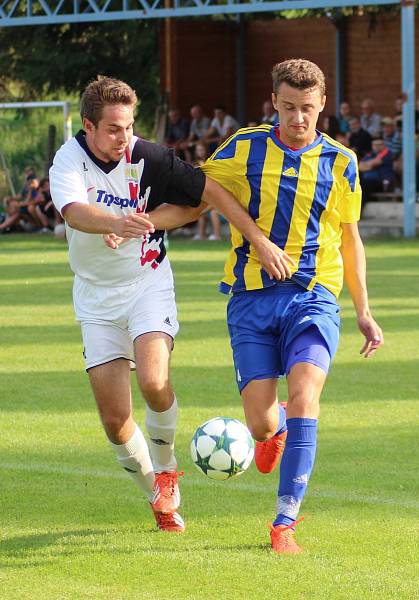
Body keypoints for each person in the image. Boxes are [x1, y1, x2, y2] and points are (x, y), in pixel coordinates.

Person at [48, 76, 290, 534]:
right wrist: (118, 221)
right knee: (115, 421)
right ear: (88, 127)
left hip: (147, 285)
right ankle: (158, 500)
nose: (125, 138)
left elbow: (207, 198)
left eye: (130, 126)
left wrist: (257, 239)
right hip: (96, 299)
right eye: (115, 129)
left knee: (155, 382)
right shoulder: (69, 159)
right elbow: (74, 213)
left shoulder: (147, 156)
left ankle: (167, 471)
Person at [200, 59, 384, 554]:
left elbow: (350, 238)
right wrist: (139, 221)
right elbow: (201, 190)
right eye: (287, 108)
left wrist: (363, 309)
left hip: (314, 296)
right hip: (251, 299)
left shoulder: (342, 162)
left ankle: (284, 524)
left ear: (322, 104)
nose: (297, 118)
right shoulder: (244, 147)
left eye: (307, 108)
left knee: (307, 397)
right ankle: (274, 423)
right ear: (273, 101)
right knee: (260, 424)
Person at [190, 143, 222, 241]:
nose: (199, 152)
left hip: (217, 205)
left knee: (212, 212)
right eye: (198, 150)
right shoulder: (194, 163)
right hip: (207, 203)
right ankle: (202, 235)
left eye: (201, 149)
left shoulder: (212, 164)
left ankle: (217, 236)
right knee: (201, 213)